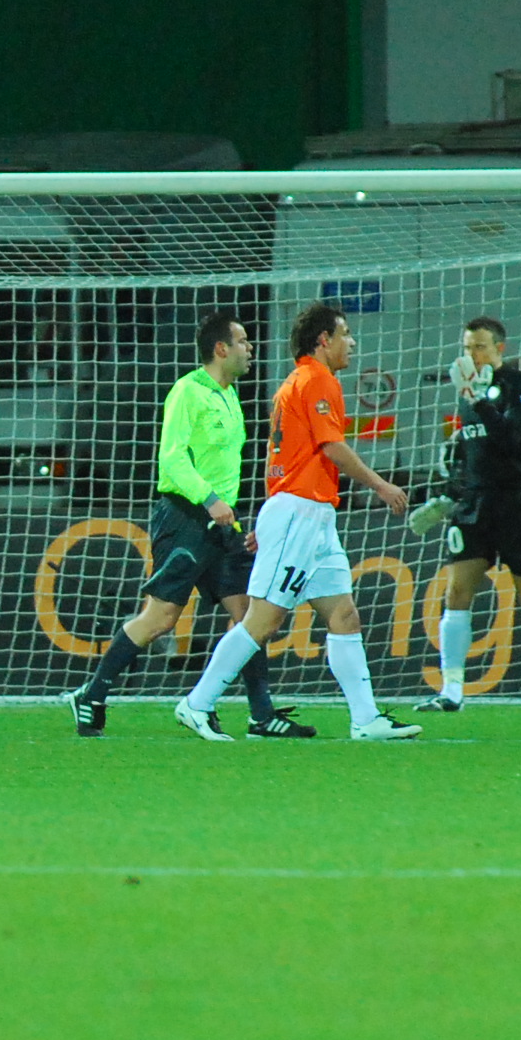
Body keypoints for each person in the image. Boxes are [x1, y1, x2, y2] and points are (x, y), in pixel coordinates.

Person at [174, 304, 420, 743]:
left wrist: (272, 514)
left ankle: (366, 720)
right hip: (301, 512)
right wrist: (382, 485)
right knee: (263, 620)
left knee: (343, 614)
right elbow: (331, 446)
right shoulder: (317, 380)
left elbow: (282, 455)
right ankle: (197, 703)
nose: (352, 342)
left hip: (310, 515)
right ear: (324, 340)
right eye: (345, 333)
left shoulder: (295, 382)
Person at [66, 311, 313, 739]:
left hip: (224, 524)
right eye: (243, 342)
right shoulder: (187, 391)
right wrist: (210, 499)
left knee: (251, 616)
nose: (250, 349)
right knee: (161, 617)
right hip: (185, 517)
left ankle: (261, 714)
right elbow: (172, 459)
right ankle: (92, 694)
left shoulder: (230, 396)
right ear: (221, 349)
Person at [415, 316, 521, 713]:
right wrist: (450, 496)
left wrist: (479, 401)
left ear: (499, 349)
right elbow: (472, 455)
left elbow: (511, 438)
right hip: (475, 507)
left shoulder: (520, 386)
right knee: (457, 593)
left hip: (517, 504)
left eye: (480, 347)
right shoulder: (465, 393)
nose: (472, 354)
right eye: (467, 347)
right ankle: (452, 690)